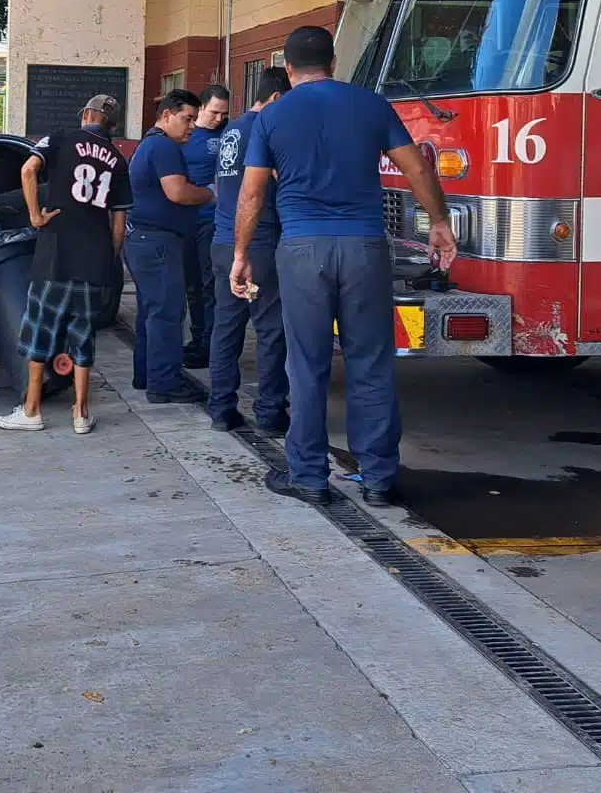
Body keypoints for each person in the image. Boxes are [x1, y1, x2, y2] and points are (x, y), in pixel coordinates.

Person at [231, 26, 456, 508]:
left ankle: (309, 477)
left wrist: (241, 254)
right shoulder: (370, 104)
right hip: (364, 247)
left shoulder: (271, 117)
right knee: (370, 361)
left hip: (301, 250)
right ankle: (377, 478)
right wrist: (437, 222)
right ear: (333, 63)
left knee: (306, 364)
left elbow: (252, 193)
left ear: (287, 70)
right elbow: (417, 166)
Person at [0, 94, 130, 436]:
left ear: (85, 113)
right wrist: (109, 260)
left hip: (56, 254)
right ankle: (81, 413)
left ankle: (32, 410)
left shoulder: (59, 137)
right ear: (111, 125)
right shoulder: (117, 158)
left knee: (41, 329)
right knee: (82, 334)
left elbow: (28, 169)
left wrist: (35, 216)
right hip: (94, 258)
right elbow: (118, 225)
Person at [208, 68, 290, 435]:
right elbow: (264, 189)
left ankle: (221, 410)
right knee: (271, 331)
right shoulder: (267, 129)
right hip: (257, 246)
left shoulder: (231, 130)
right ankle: (271, 414)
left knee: (226, 329)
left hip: (223, 242)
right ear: (275, 98)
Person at [124, 89, 211, 404]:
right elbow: (178, 193)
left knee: (152, 311)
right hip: (157, 241)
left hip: (145, 240)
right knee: (167, 312)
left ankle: (147, 375)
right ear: (167, 115)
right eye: (187, 119)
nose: (192, 126)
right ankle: (164, 383)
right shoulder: (163, 146)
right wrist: (210, 193)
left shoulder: (150, 144)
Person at [181, 84, 230, 368]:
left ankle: (210, 344)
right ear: (201, 108)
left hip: (216, 222)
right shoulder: (187, 135)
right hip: (189, 219)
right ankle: (197, 338)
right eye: (214, 112)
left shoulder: (229, 134)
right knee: (193, 286)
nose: (219, 119)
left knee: (211, 285)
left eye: (224, 113)